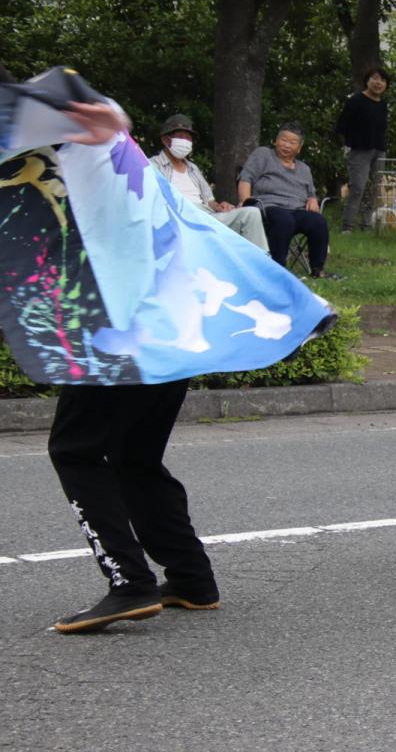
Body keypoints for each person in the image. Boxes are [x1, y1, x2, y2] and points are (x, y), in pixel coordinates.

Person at [0, 66, 220, 633]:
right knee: (133, 455)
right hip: (168, 310)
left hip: (118, 321)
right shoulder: (84, 124)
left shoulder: (41, 131)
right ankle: (191, 579)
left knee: (75, 448)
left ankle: (130, 582)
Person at [150, 113, 268, 251]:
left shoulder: (192, 168)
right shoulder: (152, 165)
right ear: (166, 140)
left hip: (205, 214)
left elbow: (209, 200)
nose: (186, 141)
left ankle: (261, 264)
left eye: (188, 138)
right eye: (181, 137)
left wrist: (219, 206)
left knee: (251, 213)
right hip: (178, 216)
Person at [237, 122, 334, 277]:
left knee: (318, 221)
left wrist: (312, 199)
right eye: (283, 140)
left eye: (292, 142)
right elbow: (245, 178)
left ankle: (317, 269)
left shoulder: (304, 169)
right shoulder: (264, 155)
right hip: (268, 206)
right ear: (276, 140)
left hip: (297, 209)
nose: (287, 145)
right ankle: (277, 268)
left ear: (299, 147)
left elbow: (311, 193)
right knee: (284, 220)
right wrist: (246, 202)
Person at [334, 66, 389, 233]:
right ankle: (347, 226)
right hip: (359, 151)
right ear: (367, 81)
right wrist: (348, 146)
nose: (378, 83)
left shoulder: (383, 105)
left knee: (374, 189)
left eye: (382, 80)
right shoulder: (355, 101)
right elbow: (341, 127)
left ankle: (366, 224)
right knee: (357, 187)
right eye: (375, 78)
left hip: (379, 150)